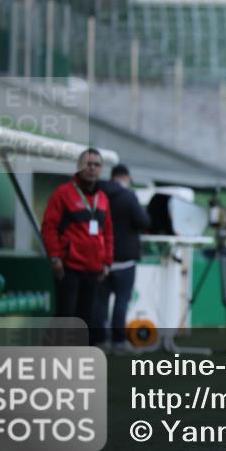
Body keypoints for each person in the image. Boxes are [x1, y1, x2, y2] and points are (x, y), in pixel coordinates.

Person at [41, 148, 113, 345]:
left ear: (101, 169)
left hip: (93, 269)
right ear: (79, 167)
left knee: (86, 319)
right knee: (65, 316)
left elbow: (107, 233)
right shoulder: (63, 194)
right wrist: (55, 257)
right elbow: (49, 227)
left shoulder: (103, 198)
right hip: (68, 267)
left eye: (96, 164)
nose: (92, 168)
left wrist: (107, 262)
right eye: (88, 164)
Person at [97, 164, 151, 354]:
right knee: (121, 301)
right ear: (126, 178)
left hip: (100, 258)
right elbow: (144, 222)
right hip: (124, 260)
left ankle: (99, 341)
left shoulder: (97, 195)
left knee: (100, 303)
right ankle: (119, 342)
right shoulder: (129, 197)